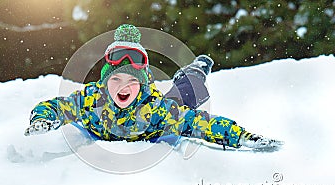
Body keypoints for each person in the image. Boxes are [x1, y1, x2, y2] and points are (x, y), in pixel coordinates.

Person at [25, 24, 282, 150]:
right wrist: (43, 119)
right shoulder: (91, 102)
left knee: (185, 95)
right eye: (115, 80)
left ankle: (195, 70)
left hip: (160, 115)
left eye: (132, 81)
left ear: (143, 84)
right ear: (104, 84)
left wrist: (243, 137)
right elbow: (57, 106)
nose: (123, 87)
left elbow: (202, 124)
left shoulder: (157, 110)